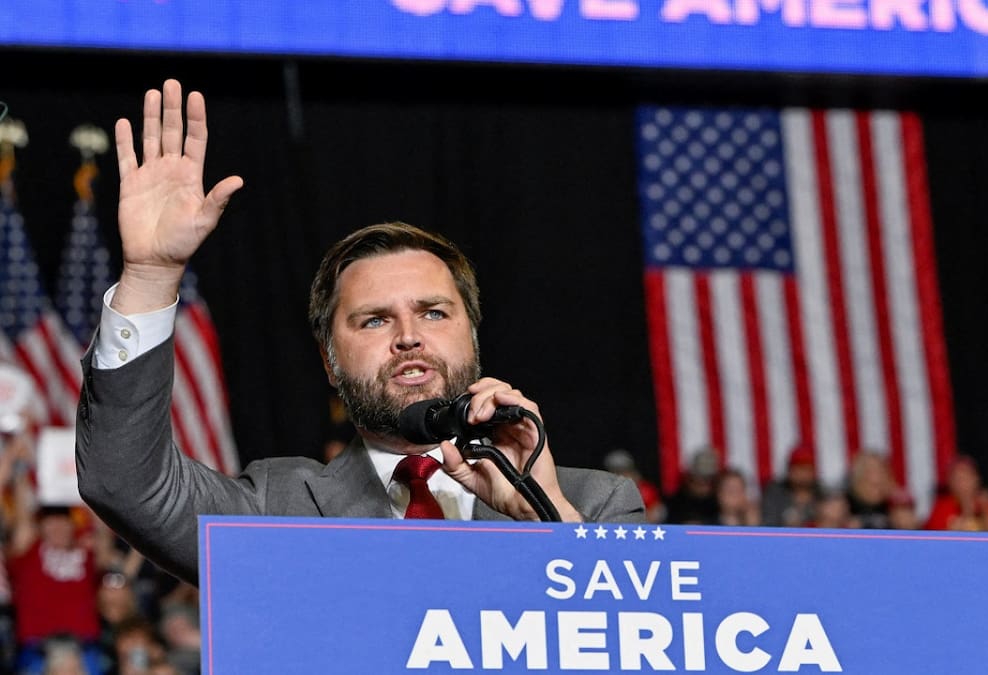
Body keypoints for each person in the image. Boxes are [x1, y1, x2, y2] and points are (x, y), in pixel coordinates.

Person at [74, 79, 646, 588]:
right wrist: (151, 276)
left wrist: (542, 515)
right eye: (374, 319)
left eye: (434, 312)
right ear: (329, 362)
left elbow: (635, 641)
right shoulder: (277, 509)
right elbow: (124, 482)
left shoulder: (596, 506)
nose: (408, 336)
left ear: (473, 336)